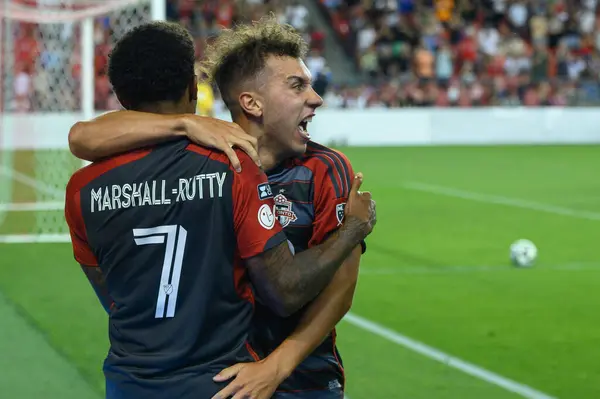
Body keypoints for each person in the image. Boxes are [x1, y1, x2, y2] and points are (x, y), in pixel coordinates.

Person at [64, 21, 376, 399]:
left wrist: (275, 367)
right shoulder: (225, 163)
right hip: (224, 379)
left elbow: (342, 289)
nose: (316, 98)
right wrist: (352, 229)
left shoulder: (326, 169)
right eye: (296, 85)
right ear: (250, 102)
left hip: (299, 382)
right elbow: (82, 136)